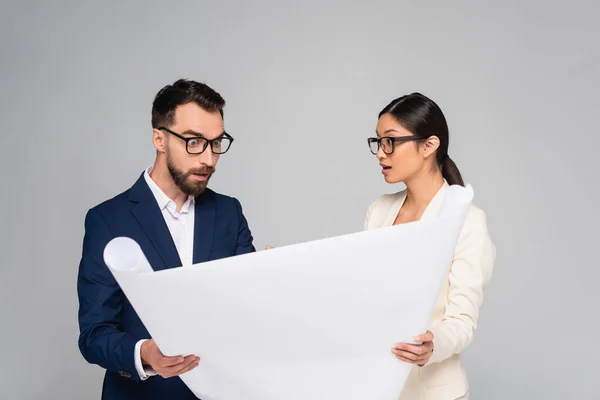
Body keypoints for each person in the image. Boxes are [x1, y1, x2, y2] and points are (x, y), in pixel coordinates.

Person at [77, 79, 255, 399]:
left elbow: (246, 310)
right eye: (194, 141)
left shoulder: (229, 212)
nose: (209, 158)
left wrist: (271, 278)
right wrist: (145, 353)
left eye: (216, 143)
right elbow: (94, 333)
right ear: (159, 138)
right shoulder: (107, 220)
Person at [363, 93, 495, 400]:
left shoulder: (468, 221)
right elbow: (364, 294)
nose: (381, 153)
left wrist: (432, 344)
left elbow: (462, 321)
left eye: (391, 141)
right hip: (376, 385)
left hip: (435, 392)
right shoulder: (378, 210)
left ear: (429, 145)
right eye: (378, 141)